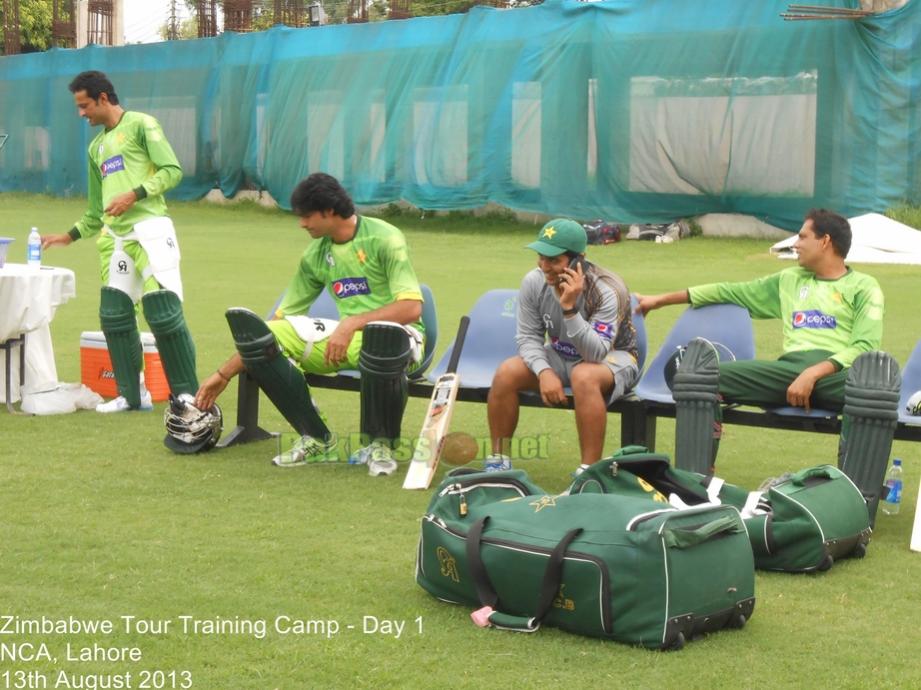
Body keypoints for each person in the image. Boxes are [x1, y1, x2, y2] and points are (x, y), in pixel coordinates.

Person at [636, 209, 899, 520]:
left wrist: (814, 372)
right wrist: (660, 300)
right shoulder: (789, 280)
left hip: (838, 377)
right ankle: (693, 493)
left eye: (803, 236)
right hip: (786, 376)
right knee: (698, 376)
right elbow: (729, 291)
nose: (796, 244)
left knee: (875, 390)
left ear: (826, 241)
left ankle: (854, 509)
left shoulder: (864, 286)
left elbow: (865, 347)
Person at [194, 172, 425, 476]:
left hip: (400, 342)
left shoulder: (385, 238)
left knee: (379, 339)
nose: (302, 223)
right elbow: (274, 324)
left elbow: (411, 307)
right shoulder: (316, 254)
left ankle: (379, 445)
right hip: (349, 342)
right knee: (265, 339)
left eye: (306, 216)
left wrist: (352, 323)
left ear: (329, 211)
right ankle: (316, 439)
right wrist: (223, 374)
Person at [42, 70, 200, 417]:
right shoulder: (96, 148)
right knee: (114, 315)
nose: (81, 114)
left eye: (84, 106)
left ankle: (188, 396)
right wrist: (67, 236)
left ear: (102, 98)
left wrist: (136, 194)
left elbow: (172, 170)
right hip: (114, 239)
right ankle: (132, 395)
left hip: (151, 231)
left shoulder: (142, 124)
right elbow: (97, 210)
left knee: (164, 313)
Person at [485, 218, 640, 475]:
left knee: (583, 375)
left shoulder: (607, 290)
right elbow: (528, 338)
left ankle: (588, 472)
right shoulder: (534, 282)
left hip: (614, 359)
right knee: (506, 373)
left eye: (553, 260)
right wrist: (544, 371)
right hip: (561, 355)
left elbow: (595, 353)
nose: (544, 266)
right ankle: (498, 464)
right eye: (540, 257)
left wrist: (569, 309)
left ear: (579, 260)